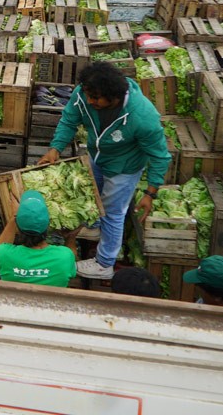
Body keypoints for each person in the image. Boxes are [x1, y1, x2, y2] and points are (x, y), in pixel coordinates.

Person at [40, 62, 169, 281]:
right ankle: (95, 225)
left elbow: (160, 155)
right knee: (95, 194)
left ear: (115, 98)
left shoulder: (142, 116)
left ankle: (105, 263)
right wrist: (55, 149)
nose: (90, 101)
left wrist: (150, 192)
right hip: (98, 156)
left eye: (97, 98)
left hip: (125, 167)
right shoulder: (84, 94)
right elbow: (69, 120)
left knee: (113, 212)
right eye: (89, 95)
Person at [0, 191, 76, 287]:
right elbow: (72, 258)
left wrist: (14, 218)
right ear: (48, 225)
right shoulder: (64, 256)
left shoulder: (3, 254)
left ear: (18, 228)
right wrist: (71, 237)